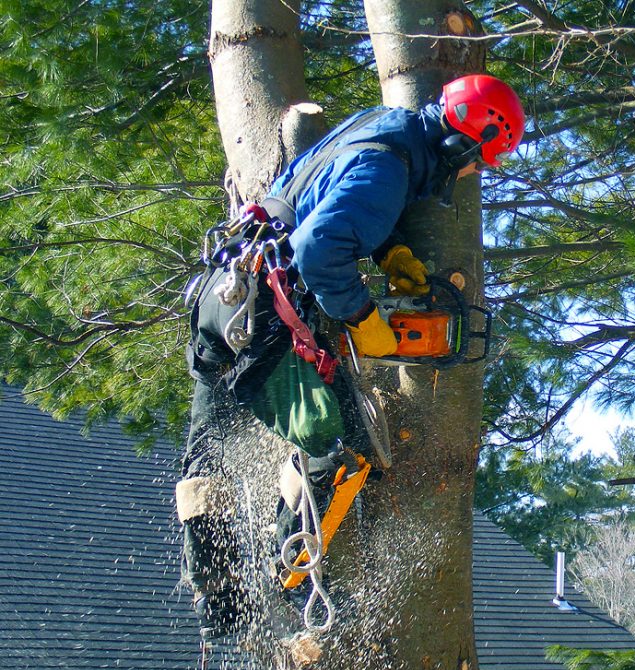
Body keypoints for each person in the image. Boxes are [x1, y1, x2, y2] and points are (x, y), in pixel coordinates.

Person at [174, 74, 525, 638]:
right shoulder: (391, 169)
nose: (475, 173)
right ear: (467, 143)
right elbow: (318, 249)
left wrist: (389, 248)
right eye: (481, 161)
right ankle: (284, 581)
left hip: (224, 293)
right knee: (340, 447)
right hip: (263, 317)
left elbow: (333, 194)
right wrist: (363, 318)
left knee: (207, 455)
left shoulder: (384, 128)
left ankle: (214, 595)